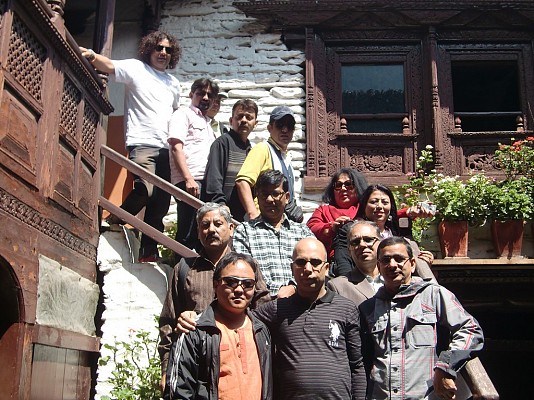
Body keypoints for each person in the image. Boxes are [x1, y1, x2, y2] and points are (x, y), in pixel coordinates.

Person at [177, 238, 366, 399]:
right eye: (301, 262)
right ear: (292, 268)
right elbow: (234, 313)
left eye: (315, 262)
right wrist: (196, 317)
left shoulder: (346, 308)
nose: (308, 269)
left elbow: (356, 366)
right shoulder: (276, 310)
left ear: (326, 268)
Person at [80, 31, 181, 262]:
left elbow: (176, 113)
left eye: (168, 50)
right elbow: (110, 65)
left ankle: (149, 250)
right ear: (149, 49)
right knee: (145, 189)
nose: (163, 53)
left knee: (161, 202)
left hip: (165, 149)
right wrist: (92, 56)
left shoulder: (173, 84)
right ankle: (115, 219)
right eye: (158, 48)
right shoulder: (137, 69)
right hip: (142, 142)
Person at [158, 203, 270, 388]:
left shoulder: (247, 267)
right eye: (205, 225)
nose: (211, 230)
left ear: (231, 228)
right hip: (195, 362)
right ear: (198, 232)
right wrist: (166, 370)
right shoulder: (185, 269)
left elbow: (263, 313)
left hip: (239, 359)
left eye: (218, 224)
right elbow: (168, 321)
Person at [359, 236, 484, 400]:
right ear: (379, 266)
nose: (392, 265)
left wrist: (445, 367)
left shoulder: (434, 295)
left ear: (412, 264)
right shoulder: (368, 308)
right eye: (386, 260)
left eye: (399, 259)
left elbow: (470, 329)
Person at [166, 252, 273, 400]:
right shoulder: (194, 330)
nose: (239, 289)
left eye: (248, 284)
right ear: (215, 284)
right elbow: (179, 391)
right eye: (231, 282)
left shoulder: (262, 331)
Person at [232, 170, 314, 297]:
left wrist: (294, 287)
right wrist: (278, 290)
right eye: (264, 194)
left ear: (287, 197)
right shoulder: (244, 232)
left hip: (302, 300)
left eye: (275, 194)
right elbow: (245, 273)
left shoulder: (303, 232)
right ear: (257, 197)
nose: (269, 199)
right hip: (263, 302)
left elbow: (316, 265)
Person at [333, 184, 434, 277]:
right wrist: (351, 286)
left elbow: (407, 260)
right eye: (374, 202)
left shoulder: (397, 231)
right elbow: (343, 263)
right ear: (364, 206)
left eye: (385, 202)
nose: (380, 206)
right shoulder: (350, 230)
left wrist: (423, 260)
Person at [168, 78, 219, 254]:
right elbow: (176, 147)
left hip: (204, 181)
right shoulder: (183, 114)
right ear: (191, 94)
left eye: (209, 95)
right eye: (201, 93)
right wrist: (188, 178)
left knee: (199, 232)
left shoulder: (207, 123)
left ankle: (194, 268)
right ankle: (179, 268)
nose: (205, 98)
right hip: (190, 180)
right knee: (188, 230)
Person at [235, 105, 303, 222]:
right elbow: (242, 181)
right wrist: (253, 214)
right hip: (263, 220)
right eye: (280, 125)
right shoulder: (262, 149)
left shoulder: (286, 157)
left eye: (289, 126)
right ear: (269, 128)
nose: (285, 130)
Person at [202, 99, 258, 222]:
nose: (244, 120)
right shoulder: (222, 143)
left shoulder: (250, 150)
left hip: (242, 217)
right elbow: (214, 177)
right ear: (231, 120)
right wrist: (220, 204)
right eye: (239, 116)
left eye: (249, 117)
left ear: (255, 123)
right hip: (223, 215)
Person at [306, 168, 368, 259]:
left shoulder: (365, 208)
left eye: (348, 184)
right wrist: (331, 228)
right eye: (338, 185)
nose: (343, 188)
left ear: (358, 187)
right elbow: (310, 229)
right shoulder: (323, 210)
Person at [327, 220, 382, 306]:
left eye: (368, 240)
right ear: (349, 250)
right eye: (355, 242)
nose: (362, 245)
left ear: (381, 244)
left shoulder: (396, 278)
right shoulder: (338, 286)